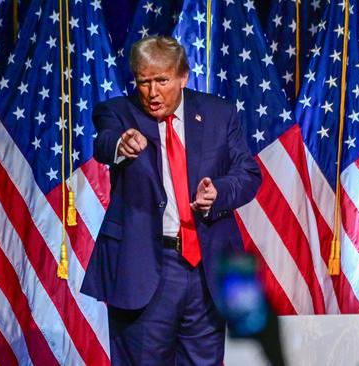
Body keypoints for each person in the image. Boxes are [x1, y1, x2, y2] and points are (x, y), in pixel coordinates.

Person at [81, 35, 261, 365]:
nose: (152, 93)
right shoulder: (119, 113)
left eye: (162, 80)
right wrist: (121, 145)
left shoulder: (218, 113)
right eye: (143, 82)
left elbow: (248, 174)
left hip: (208, 271)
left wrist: (218, 192)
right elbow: (104, 141)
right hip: (146, 268)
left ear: (183, 76)